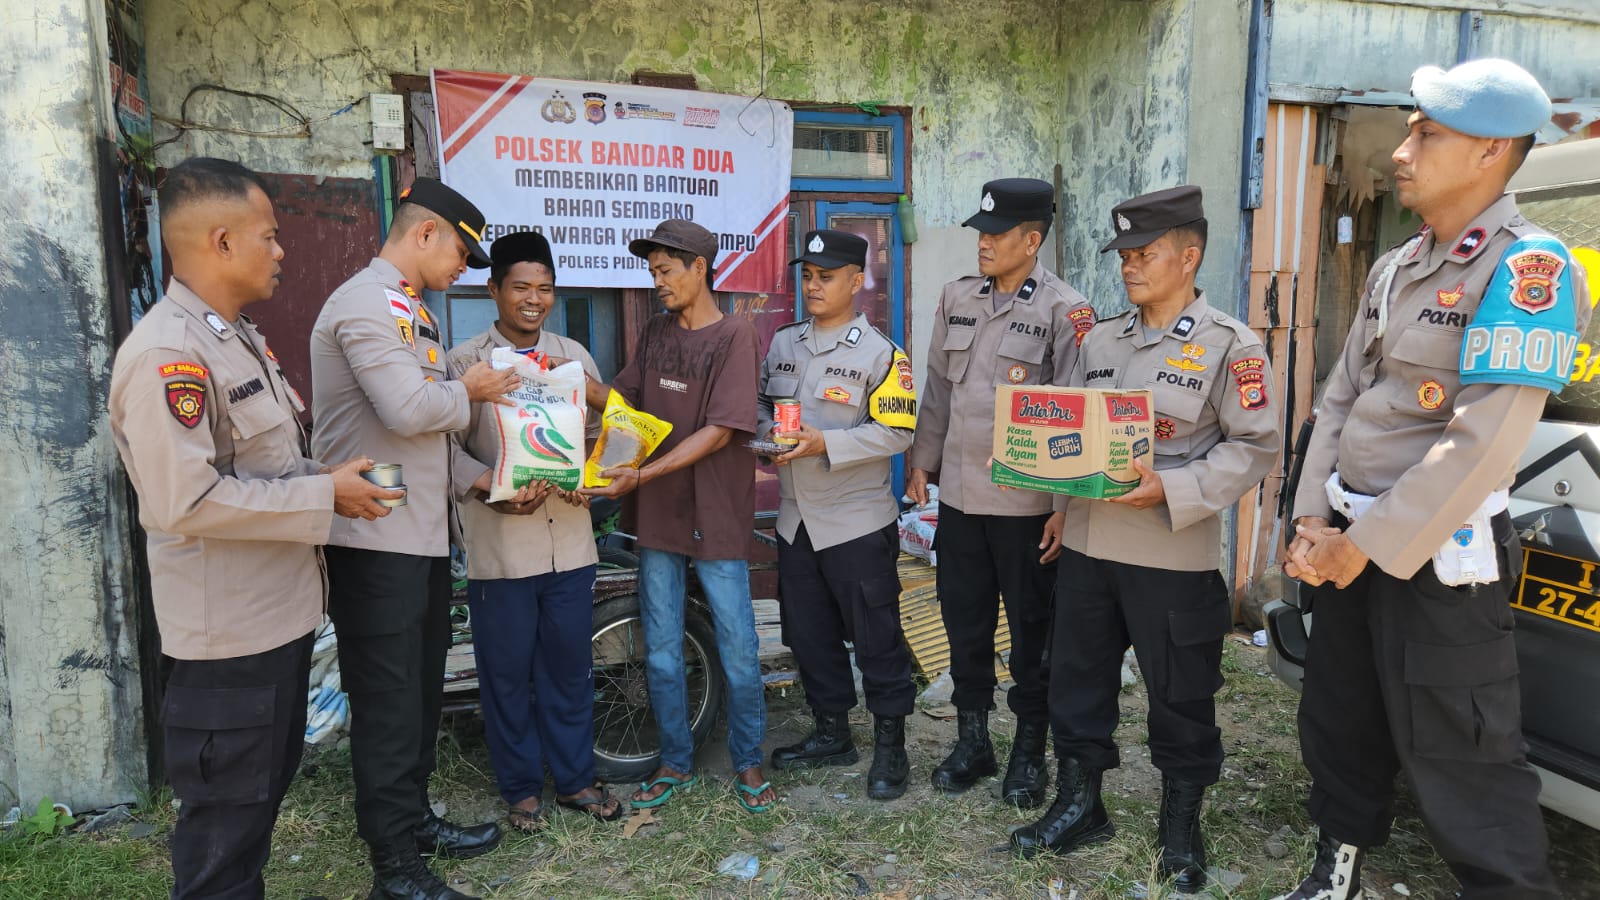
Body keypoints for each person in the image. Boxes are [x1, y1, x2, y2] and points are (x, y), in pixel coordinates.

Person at [1277, 59, 1586, 900]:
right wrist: (1314, 522)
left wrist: (1364, 547)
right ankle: (1336, 867)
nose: (1404, 150)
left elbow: (1481, 442)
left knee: (1465, 752)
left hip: (1437, 563)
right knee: (1342, 719)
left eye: (1427, 133)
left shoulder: (1531, 270)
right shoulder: (1401, 264)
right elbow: (1343, 395)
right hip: (1346, 540)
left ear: (1490, 151)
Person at [108, 157, 400, 899]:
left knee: (249, 827)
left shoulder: (235, 339)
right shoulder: (168, 354)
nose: (281, 251)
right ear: (221, 241)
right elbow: (187, 501)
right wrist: (321, 500)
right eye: (269, 237)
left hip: (274, 625)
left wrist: (328, 485)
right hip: (227, 648)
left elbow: (263, 466)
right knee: (222, 850)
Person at [1012, 186, 1280, 893]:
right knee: (1076, 683)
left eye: (1144, 253)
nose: (1129, 266)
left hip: (1170, 556)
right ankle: (1080, 803)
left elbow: (1256, 448)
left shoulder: (1230, 345)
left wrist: (1173, 487)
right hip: (1091, 548)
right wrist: (1060, 506)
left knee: (1182, 696)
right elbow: (1072, 435)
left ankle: (1180, 825)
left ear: (1188, 257)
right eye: (1123, 254)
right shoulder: (1099, 339)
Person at [310, 178, 521, 900]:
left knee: (419, 697)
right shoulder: (366, 303)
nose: (466, 265)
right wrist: (477, 392)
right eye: (462, 250)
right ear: (425, 233)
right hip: (374, 542)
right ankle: (394, 871)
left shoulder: (413, 313)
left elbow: (430, 440)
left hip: (420, 537)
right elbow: (408, 409)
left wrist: (482, 479)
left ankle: (414, 821)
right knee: (388, 704)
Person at [907, 178, 1096, 806]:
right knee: (964, 627)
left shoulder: (1066, 313)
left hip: (1026, 510)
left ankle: (1028, 752)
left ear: (1032, 240)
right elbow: (938, 389)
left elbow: (1074, 418)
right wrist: (921, 463)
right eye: (980, 233)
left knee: (1031, 635)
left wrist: (1064, 510)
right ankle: (973, 741)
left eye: (996, 234)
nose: (983, 244)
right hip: (960, 502)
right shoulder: (957, 297)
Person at [576, 219, 775, 814]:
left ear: (700, 268)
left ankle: (748, 760)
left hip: (714, 511)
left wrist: (643, 475)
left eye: (666, 271)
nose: (657, 282)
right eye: (652, 271)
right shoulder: (658, 333)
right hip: (660, 515)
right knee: (660, 646)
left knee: (738, 645)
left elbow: (720, 431)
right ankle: (675, 761)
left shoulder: (735, 334)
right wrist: (554, 381)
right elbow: (624, 403)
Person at [445, 230, 622, 831]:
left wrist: (590, 474)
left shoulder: (574, 356)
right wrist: (490, 493)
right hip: (501, 549)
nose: (534, 299)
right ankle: (521, 789)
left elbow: (602, 435)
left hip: (570, 543)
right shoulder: (465, 364)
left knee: (570, 667)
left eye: (545, 288)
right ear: (493, 290)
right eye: (520, 286)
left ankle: (574, 780)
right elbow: (443, 453)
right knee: (506, 674)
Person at [759, 229, 920, 800]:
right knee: (808, 635)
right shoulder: (783, 343)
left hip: (855, 520)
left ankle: (891, 746)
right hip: (796, 519)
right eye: (807, 275)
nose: (813, 286)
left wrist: (825, 444)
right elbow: (763, 406)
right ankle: (832, 732)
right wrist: (765, 439)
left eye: (826, 276)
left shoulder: (880, 353)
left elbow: (898, 431)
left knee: (877, 637)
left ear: (857, 282)